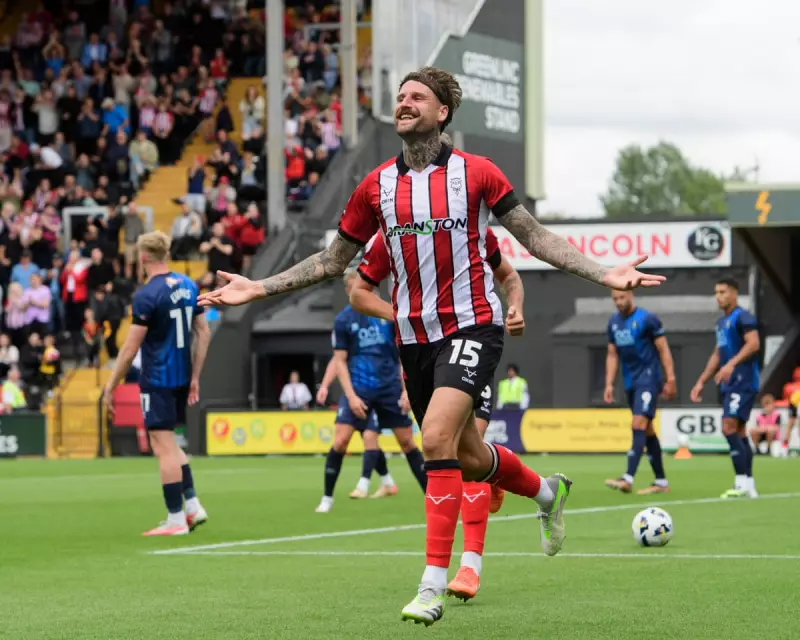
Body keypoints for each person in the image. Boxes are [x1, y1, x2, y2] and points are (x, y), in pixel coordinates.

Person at [196, 66, 664, 625]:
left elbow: (534, 238)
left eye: (417, 96)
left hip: (472, 326)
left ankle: (431, 586)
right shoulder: (376, 187)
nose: (404, 103)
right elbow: (334, 263)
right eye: (400, 97)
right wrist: (260, 286)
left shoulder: (478, 173)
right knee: (468, 455)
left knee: (436, 437)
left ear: (443, 112)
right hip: (413, 339)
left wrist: (602, 273)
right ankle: (546, 493)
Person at [350, 227, 525, 601]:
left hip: (472, 342)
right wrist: (403, 319)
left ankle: (468, 566)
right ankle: (506, 475)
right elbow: (359, 294)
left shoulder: (469, 224)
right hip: (426, 356)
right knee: (465, 457)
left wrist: (516, 308)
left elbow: (508, 274)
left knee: (447, 445)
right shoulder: (394, 233)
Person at [102, 231, 212, 536]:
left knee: (162, 446)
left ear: (144, 257)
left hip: (158, 379)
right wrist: (195, 377)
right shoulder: (189, 285)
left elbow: (130, 348)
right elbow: (203, 332)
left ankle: (176, 519)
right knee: (168, 442)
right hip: (180, 377)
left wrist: (110, 385)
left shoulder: (147, 294)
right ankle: (192, 505)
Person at [314, 270, 426, 514]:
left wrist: (407, 391)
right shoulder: (344, 320)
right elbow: (340, 360)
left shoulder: (388, 315)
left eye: (368, 287)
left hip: (389, 389)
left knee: (407, 442)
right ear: (348, 291)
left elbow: (403, 356)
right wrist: (351, 396)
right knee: (341, 440)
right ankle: (327, 498)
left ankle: (432, 498)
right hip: (359, 390)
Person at [691, 278, 760, 499]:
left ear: (734, 293)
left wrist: (731, 364)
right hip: (730, 383)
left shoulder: (743, 316)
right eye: (716, 292)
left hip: (744, 380)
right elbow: (718, 354)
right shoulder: (721, 323)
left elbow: (754, 343)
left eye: (722, 292)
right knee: (738, 430)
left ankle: (740, 482)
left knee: (728, 427)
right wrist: (701, 380)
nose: (718, 296)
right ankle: (749, 483)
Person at [603, 290, 676, 495]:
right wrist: (609, 384)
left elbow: (663, 349)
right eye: (615, 299)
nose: (618, 302)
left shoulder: (647, 319)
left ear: (630, 295)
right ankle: (661, 482)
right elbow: (612, 354)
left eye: (621, 297)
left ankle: (628, 477)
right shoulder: (613, 322)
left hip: (649, 378)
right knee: (648, 430)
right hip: (630, 382)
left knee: (638, 424)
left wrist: (670, 378)